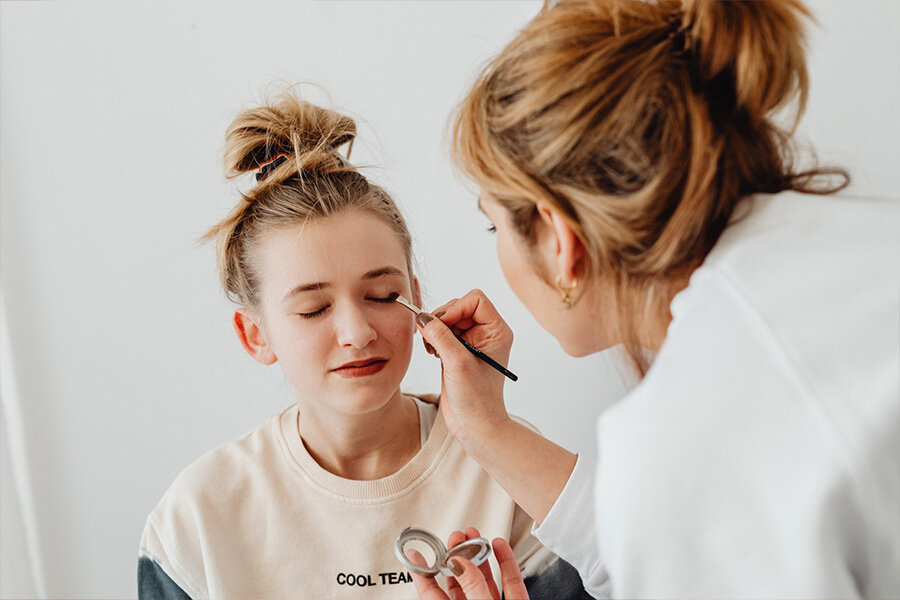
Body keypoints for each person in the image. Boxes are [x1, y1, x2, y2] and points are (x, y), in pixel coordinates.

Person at [410, 0, 900, 598]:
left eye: (496, 227)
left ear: (561, 240)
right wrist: (485, 429)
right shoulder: (850, 244)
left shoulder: (694, 434)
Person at [137, 91, 597, 599]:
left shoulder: (513, 473)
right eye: (314, 309)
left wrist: (489, 427)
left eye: (382, 295)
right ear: (255, 335)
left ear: (417, 301)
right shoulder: (197, 520)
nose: (358, 333)